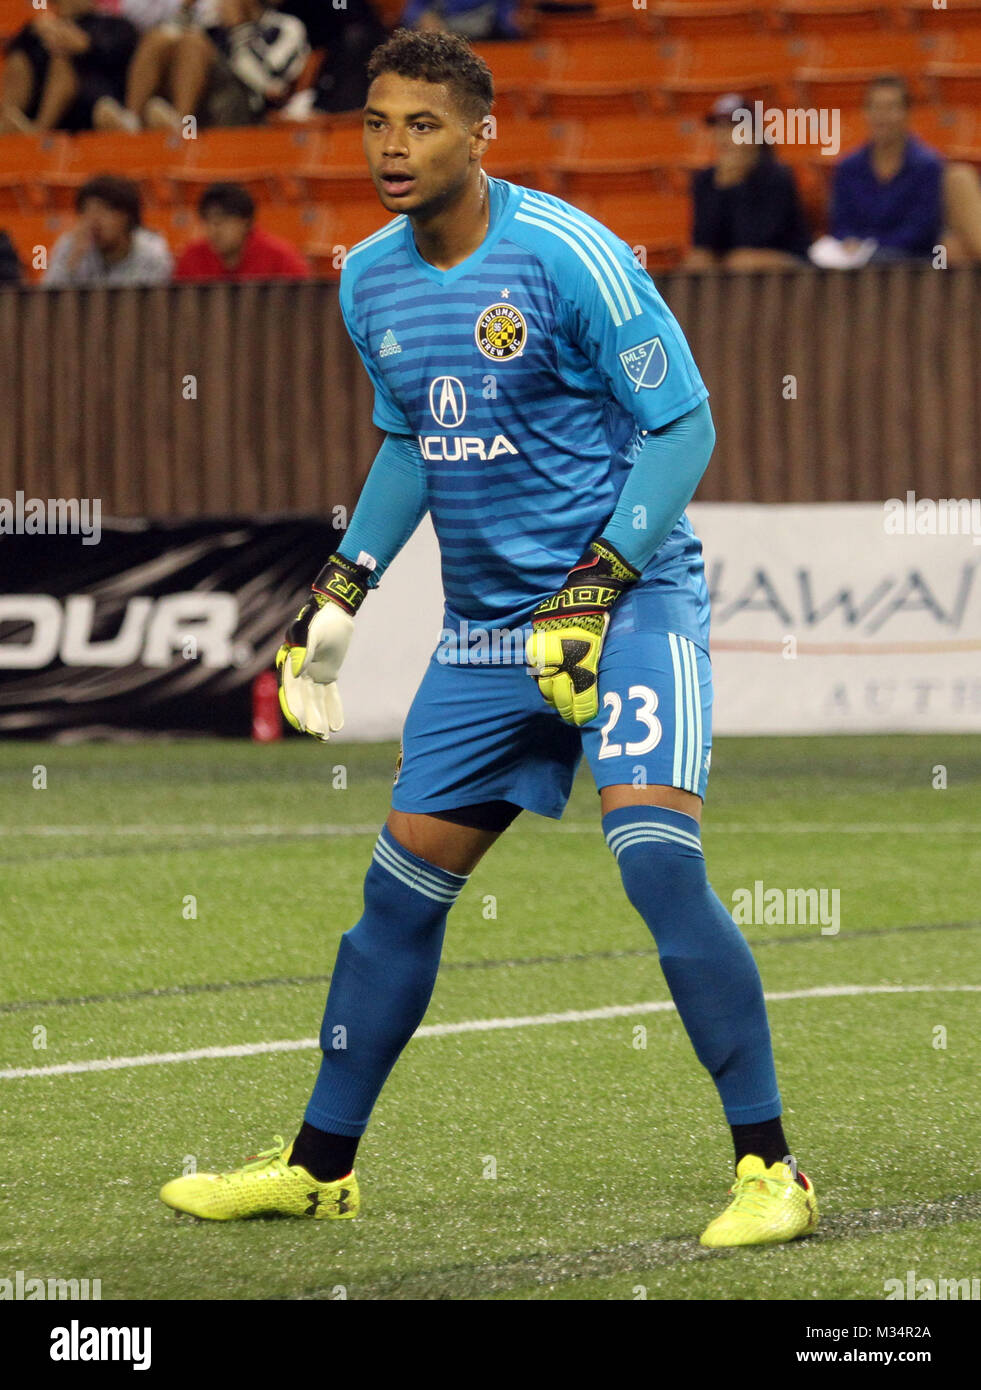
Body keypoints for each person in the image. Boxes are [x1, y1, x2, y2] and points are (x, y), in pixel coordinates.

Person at [159, 29, 819, 1249]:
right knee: (394, 899)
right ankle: (319, 1167)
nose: (392, 147)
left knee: (657, 861)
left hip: (626, 606)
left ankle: (771, 1169)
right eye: (375, 123)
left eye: (421, 124)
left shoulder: (571, 253)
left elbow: (683, 427)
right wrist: (342, 589)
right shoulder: (367, 278)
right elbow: (412, 443)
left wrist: (595, 582)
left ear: (481, 133)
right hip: (481, 640)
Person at [94, 0, 306, 132]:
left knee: (194, 43)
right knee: (158, 38)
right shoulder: (212, 23)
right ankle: (132, 121)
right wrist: (187, 9)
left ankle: (182, 126)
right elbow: (173, 38)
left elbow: (268, 83)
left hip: (245, 112)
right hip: (200, 104)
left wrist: (239, 27)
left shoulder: (285, 27)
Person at [686, 92, 811, 270]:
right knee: (698, 262)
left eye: (733, 128)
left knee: (744, 260)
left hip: (786, 262)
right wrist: (721, 189)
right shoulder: (706, 181)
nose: (723, 137)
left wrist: (737, 187)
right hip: (731, 266)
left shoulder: (777, 177)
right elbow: (703, 243)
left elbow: (759, 238)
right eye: (719, 128)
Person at [830, 75, 943, 261]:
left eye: (891, 108)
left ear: (907, 113)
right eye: (876, 108)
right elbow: (841, 225)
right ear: (866, 113)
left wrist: (873, 249)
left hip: (913, 266)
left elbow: (923, 230)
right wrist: (851, 244)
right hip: (855, 264)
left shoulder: (927, 166)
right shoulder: (847, 167)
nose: (882, 117)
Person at [0, 0, 138, 134]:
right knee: (19, 60)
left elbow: (122, 54)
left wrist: (87, 45)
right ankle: (8, 118)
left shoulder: (113, 25)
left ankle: (39, 132)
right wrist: (37, 28)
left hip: (90, 101)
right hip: (37, 100)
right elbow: (11, 51)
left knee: (62, 57)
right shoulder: (38, 29)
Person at [43, 174, 173, 285]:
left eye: (102, 211)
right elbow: (47, 301)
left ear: (126, 216)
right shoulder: (72, 245)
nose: (93, 221)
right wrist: (71, 263)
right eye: (86, 212)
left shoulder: (151, 252)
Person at [174, 182, 310, 280]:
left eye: (221, 221)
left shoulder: (281, 258)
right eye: (207, 221)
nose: (213, 230)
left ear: (245, 221)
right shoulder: (192, 257)